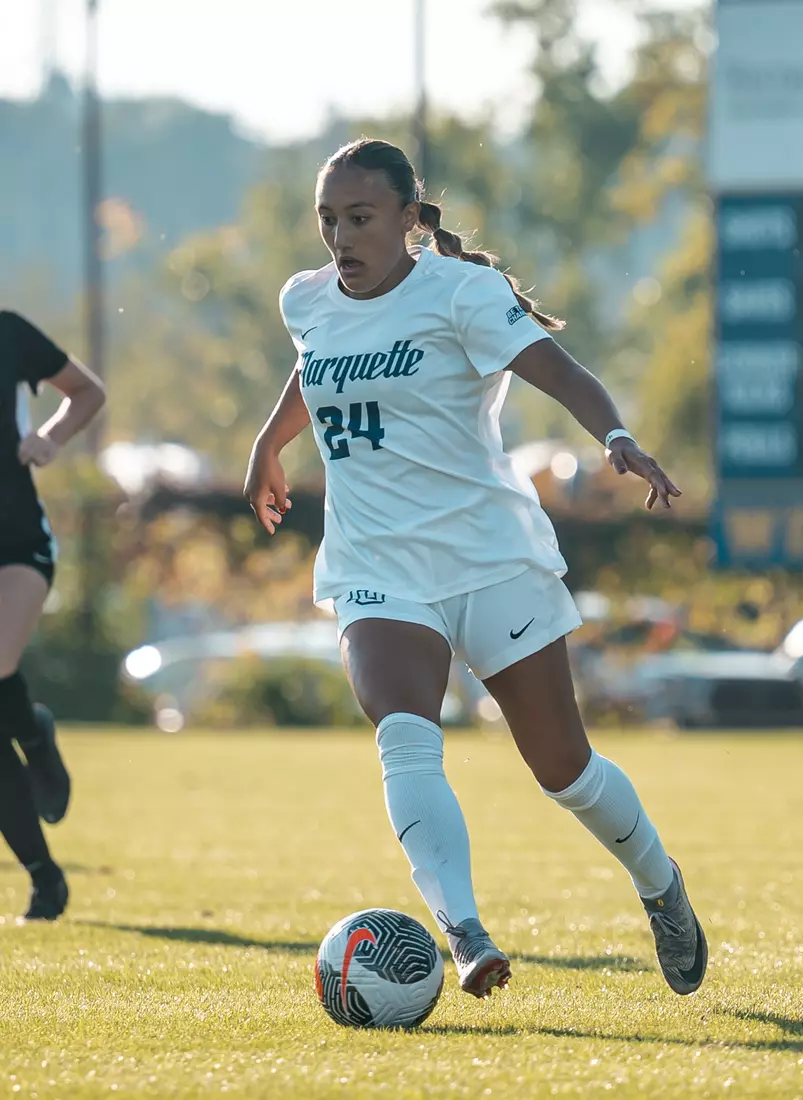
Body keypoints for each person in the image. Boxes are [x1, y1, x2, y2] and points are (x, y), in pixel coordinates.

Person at [244, 138, 707, 999]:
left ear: (411, 221)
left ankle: (660, 884)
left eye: (360, 218)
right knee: (406, 740)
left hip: (490, 558)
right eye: (328, 220)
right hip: (378, 565)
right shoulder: (305, 300)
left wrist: (615, 437)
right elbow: (315, 366)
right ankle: (464, 933)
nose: (340, 237)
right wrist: (270, 442)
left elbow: (558, 370)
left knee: (564, 770)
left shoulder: (461, 291)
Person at [0, 310, 105, 920]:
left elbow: (89, 391)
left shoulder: (8, 332)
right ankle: (45, 878)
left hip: (16, 543)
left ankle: (35, 735)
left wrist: (50, 438)